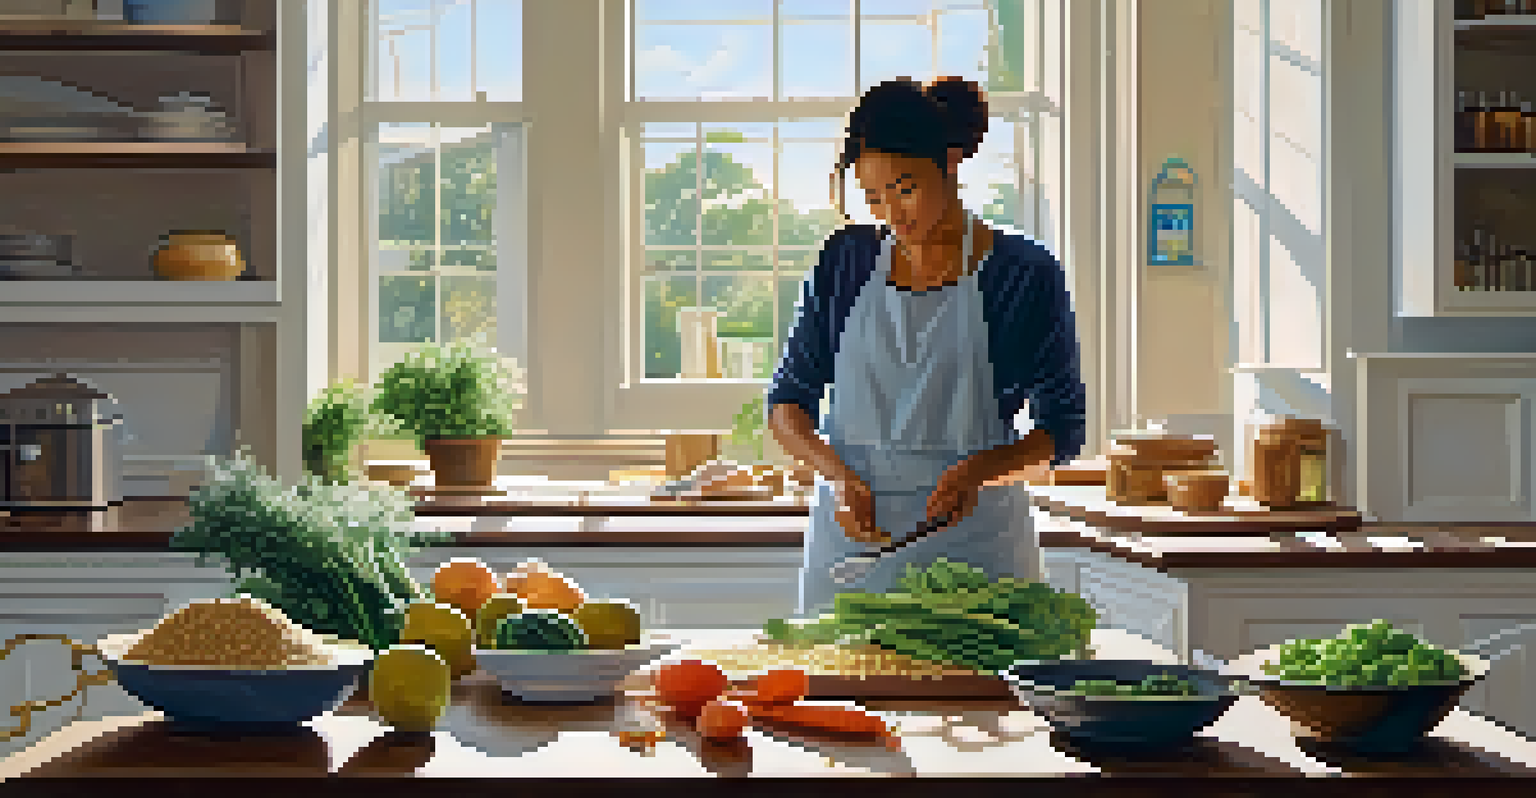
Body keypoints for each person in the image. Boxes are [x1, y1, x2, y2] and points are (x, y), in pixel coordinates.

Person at [765, 76, 1087, 617]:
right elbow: (787, 404)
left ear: (951, 161)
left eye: (906, 187)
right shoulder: (843, 263)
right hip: (852, 554)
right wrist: (838, 477)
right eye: (874, 196)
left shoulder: (1023, 274)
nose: (892, 212)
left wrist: (978, 472)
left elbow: (1064, 430)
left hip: (978, 555)